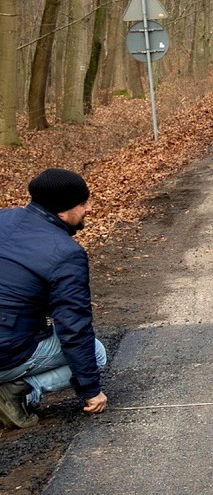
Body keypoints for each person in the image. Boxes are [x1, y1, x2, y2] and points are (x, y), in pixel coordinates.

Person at [0, 168, 110, 428]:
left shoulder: (4, 217)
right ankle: (25, 389)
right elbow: (74, 328)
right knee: (97, 353)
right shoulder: (66, 254)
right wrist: (91, 390)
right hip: (5, 351)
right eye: (83, 203)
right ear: (62, 210)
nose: (89, 209)